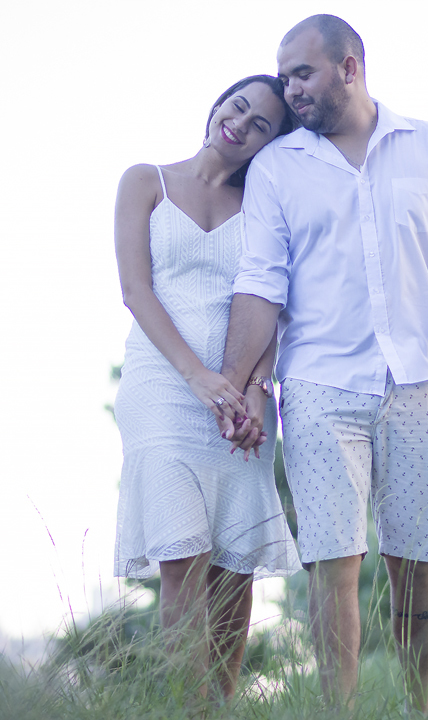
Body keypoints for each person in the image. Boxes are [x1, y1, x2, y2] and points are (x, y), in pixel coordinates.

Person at [220, 16, 428, 715]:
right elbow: (260, 282)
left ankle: (417, 708)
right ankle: (336, 713)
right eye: (284, 77)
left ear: (349, 67)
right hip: (317, 384)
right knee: (331, 563)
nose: (290, 90)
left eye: (301, 73)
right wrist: (236, 386)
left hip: (419, 382)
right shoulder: (279, 168)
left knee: (417, 560)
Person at [111, 74, 301, 704]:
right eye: (237, 107)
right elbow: (136, 291)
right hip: (164, 389)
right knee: (181, 557)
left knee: (234, 570)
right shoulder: (146, 182)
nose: (240, 125)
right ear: (219, 103)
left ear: (269, 143)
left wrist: (253, 389)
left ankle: (219, 707)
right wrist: (198, 377)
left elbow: (276, 301)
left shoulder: (266, 207)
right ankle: (186, 711)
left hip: (241, 399)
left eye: (260, 125)